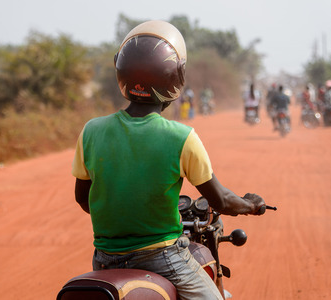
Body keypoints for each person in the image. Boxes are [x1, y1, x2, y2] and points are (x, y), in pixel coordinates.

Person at [71, 20, 266, 300]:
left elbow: (83, 200)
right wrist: (251, 205)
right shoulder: (182, 137)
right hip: (162, 258)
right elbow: (221, 201)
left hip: (104, 261)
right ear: (174, 78)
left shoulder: (92, 131)